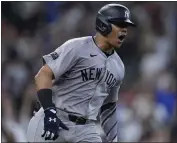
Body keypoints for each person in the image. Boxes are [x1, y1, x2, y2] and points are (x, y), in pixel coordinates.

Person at [26, 3, 136, 142]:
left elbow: (109, 106)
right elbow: (43, 75)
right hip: (56, 117)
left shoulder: (118, 66)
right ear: (104, 25)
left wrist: (114, 139)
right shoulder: (77, 47)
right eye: (120, 25)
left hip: (86, 128)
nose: (124, 31)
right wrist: (49, 110)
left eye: (126, 27)